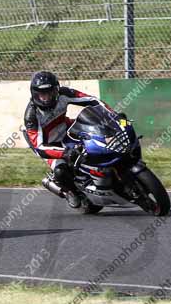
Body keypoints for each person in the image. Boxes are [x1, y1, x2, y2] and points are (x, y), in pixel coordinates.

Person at [22, 70, 114, 208]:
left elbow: (92, 100)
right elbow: (40, 148)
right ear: (34, 93)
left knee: (96, 143)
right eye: (42, 93)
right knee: (61, 170)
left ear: (56, 89)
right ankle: (71, 191)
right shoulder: (31, 115)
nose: (46, 97)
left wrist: (112, 115)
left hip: (65, 130)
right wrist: (65, 153)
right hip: (48, 144)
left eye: (49, 92)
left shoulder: (63, 94)